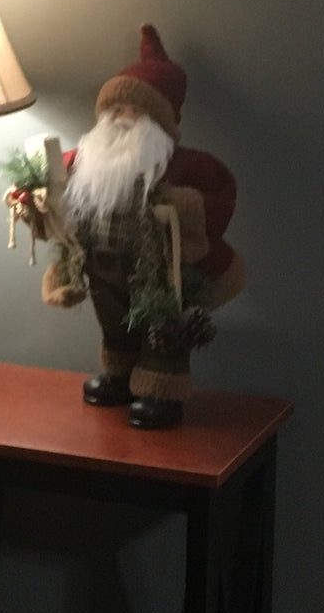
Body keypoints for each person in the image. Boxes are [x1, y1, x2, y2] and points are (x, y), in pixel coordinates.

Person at [44, 26, 245, 428]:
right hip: (102, 269)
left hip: (159, 272)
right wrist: (34, 194)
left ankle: (161, 392)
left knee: (162, 327)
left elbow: (219, 194)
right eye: (114, 110)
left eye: (134, 111)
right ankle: (119, 373)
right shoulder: (84, 161)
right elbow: (50, 182)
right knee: (113, 321)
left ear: (160, 120)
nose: (122, 118)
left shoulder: (184, 165)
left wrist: (180, 204)